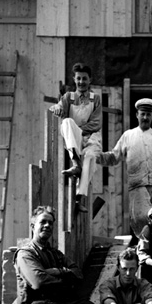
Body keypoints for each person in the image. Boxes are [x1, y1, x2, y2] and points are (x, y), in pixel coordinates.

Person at [96, 98, 152, 238]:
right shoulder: (128, 136)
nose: (145, 117)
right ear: (137, 115)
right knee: (141, 220)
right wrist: (95, 156)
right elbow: (114, 157)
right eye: (142, 114)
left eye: (148, 114)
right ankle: (144, 248)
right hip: (138, 186)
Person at [49, 62, 102, 213]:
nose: (81, 82)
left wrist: (79, 130)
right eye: (78, 78)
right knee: (66, 122)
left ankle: (79, 198)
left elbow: (96, 123)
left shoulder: (95, 98)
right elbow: (58, 108)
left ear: (90, 80)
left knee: (90, 157)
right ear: (74, 79)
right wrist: (56, 108)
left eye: (84, 78)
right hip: (74, 139)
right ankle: (75, 163)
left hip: (90, 138)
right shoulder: (68, 97)